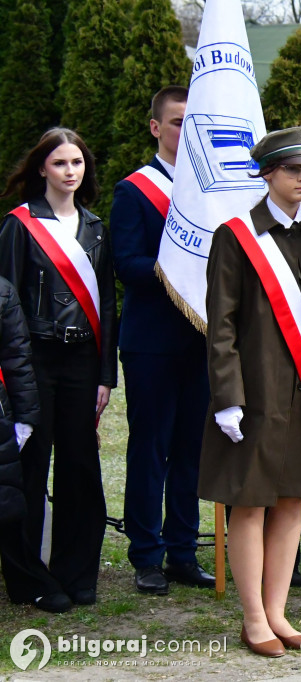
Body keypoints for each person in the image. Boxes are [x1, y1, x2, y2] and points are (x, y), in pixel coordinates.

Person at [198, 127, 301, 657]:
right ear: (267, 173)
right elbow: (221, 323)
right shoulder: (236, 236)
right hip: (256, 393)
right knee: (249, 503)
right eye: (293, 169)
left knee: (293, 500)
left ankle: (277, 611)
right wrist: (228, 397)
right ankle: (253, 619)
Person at [0, 128, 117, 607]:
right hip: (33, 360)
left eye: (77, 162)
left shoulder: (96, 228)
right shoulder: (19, 225)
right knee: (28, 467)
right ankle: (28, 579)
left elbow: (107, 305)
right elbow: (5, 304)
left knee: (80, 465)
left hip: (82, 362)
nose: (70, 171)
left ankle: (77, 572)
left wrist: (105, 375)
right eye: (60, 163)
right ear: (41, 169)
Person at [109, 85, 214, 596]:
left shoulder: (213, 191)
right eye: (176, 121)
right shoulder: (134, 190)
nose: (185, 129)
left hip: (201, 339)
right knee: (151, 449)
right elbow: (126, 265)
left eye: (193, 121)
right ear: (156, 127)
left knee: (193, 450)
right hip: (151, 341)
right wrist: (181, 266)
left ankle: (182, 553)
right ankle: (146, 555)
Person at [0, 274, 70, 612]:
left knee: (8, 504)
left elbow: (16, 357)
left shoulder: (3, 292)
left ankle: (27, 579)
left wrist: (25, 417)